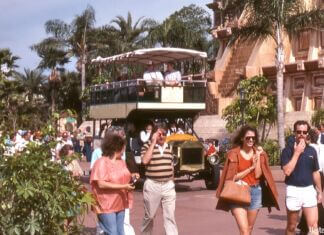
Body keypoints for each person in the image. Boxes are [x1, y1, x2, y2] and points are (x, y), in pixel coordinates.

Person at [216, 125, 279, 235]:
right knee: (244, 231)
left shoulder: (259, 154)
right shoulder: (233, 154)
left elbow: (258, 175)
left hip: (255, 192)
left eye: (253, 138)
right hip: (238, 192)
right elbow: (233, 177)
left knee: (249, 229)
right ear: (242, 138)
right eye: (248, 138)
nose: (251, 140)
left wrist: (258, 157)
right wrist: (250, 168)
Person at [281, 120, 322, 235]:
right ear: (294, 132)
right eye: (299, 132)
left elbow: (315, 173)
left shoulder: (312, 151)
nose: (301, 134)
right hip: (293, 190)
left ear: (307, 133)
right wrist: (297, 152)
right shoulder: (287, 151)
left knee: (313, 226)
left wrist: (320, 191)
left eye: (304, 132)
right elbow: (287, 171)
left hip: (309, 190)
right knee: (291, 227)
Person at [90, 134, 135, 235]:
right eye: (123, 147)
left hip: (120, 202)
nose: (124, 150)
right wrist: (123, 186)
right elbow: (101, 184)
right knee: (112, 232)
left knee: (120, 231)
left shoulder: (121, 162)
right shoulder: (101, 162)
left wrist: (132, 178)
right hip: (106, 203)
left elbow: (123, 177)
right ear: (117, 147)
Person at [141, 123, 178, 235]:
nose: (161, 136)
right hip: (153, 184)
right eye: (159, 134)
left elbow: (171, 165)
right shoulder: (147, 146)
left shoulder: (170, 147)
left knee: (170, 216)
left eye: (164, 134)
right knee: (150, 216)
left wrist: (172, 180)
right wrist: (153, 142)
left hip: (168, 185)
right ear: (154, 134)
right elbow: (145, 161)